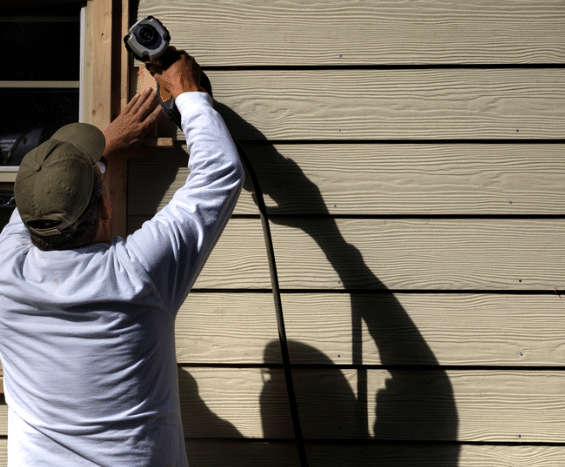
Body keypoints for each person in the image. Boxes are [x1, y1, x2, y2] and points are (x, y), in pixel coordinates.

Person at [0, 51, 244, 466]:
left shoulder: (6, 269)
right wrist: (188, 93)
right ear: (106, 207)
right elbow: (219, 171)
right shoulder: (137, 273)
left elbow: (38, 209)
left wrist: (102, 150)